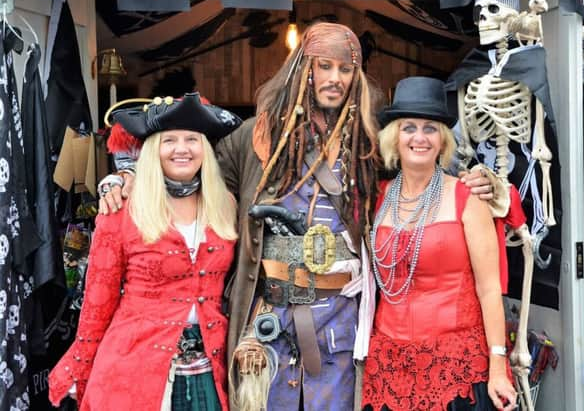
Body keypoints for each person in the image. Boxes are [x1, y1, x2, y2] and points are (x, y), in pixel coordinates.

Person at [97, 24, 497, 411]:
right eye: (324, 66)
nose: (335, 78)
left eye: (345, 69)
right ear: (303, 69)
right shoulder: (255, 137)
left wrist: (485, 183)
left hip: (340, 322)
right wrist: (126, 175)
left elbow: (426, 173)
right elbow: (194, 171)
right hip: (270, 317)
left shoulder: (370, 144)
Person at [47, 93, 242, 410]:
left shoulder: (226, 206)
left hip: (210, 369)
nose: (182, 149)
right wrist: (80, 363)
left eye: (192, 139)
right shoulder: (122, 209)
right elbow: (98, 300)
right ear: (154, 150)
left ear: (204, 149)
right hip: (133, 369)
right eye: (169, 140)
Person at [361, 77, 517, 411]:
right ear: (394, 138)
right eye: (409, 128)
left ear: (443, 141)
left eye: (430, 128)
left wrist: (498, 365)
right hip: (390, 365)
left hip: (455, 363)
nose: (419, 137)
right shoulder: (379, 198)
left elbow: (489, 289)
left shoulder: (466, 197)